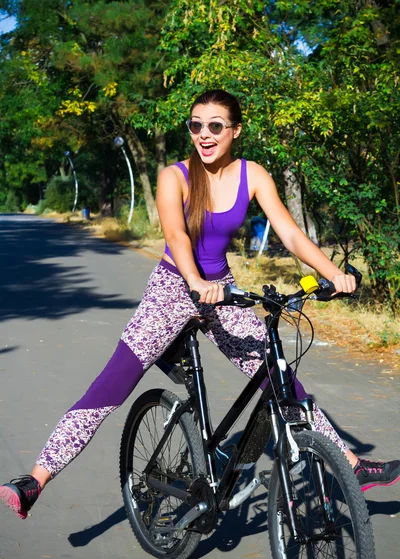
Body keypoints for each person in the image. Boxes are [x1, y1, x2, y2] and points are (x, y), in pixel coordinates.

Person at [1, 89, 399, 520]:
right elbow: (174, 234)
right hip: (173, 289)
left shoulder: (254, 175)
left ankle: (352, 465)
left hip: (222, 290)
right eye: (196, 125)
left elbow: (292, 236)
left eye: (215, 126)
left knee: (279, 375)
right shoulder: (174, 175)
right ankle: (36, 479)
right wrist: (193, 281)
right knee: (110, 387)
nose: (204, 135)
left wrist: (333, 274)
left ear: (235, 130)